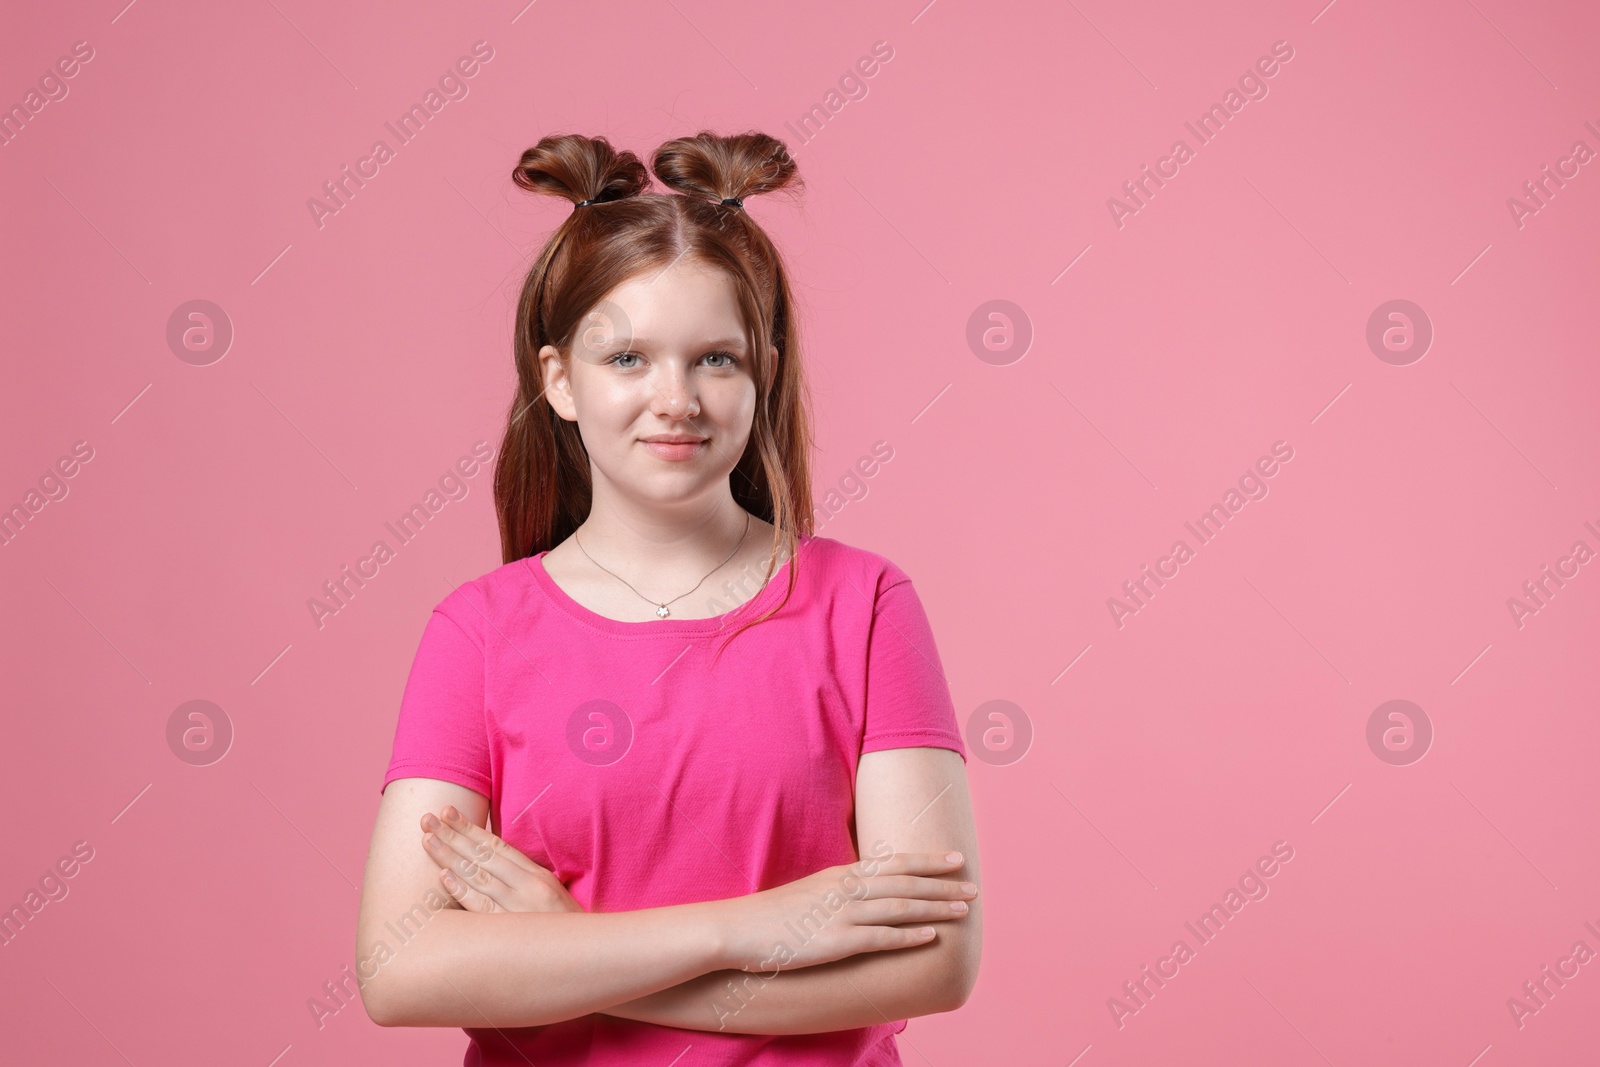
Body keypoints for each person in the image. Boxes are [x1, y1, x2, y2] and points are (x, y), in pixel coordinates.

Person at [355, 130, 982, 1065]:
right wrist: (751, 926)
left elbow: (937, 961)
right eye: (628, 359)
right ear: (559, 380)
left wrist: (566, 938)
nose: (676, 399)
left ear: (762, 371)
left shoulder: (868, 605)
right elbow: (398, 970)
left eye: (715, 360)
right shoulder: (478, 632)